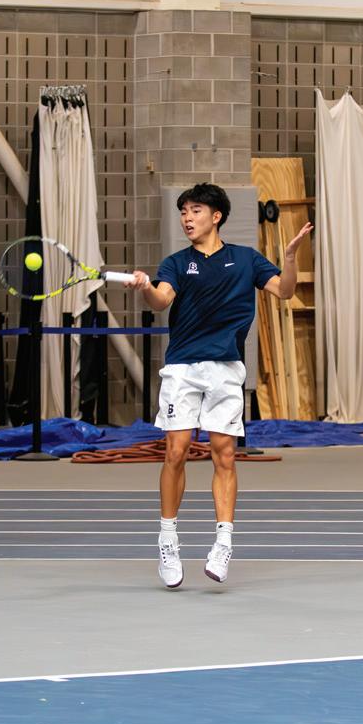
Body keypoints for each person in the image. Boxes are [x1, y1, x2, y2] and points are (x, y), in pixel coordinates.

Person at [125, 183, 311, 588]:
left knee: (224, 454)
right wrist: (145, 288)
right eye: (183, 212)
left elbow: (285, 291)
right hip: (182, 368)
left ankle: (223, 543)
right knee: (175, 451)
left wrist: (290, 257)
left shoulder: (246, 260)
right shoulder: (176, 263)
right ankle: (168, 540)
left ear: (216, 216)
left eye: (194, 210)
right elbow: (161, 300)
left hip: (226, 368)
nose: (186, 218)